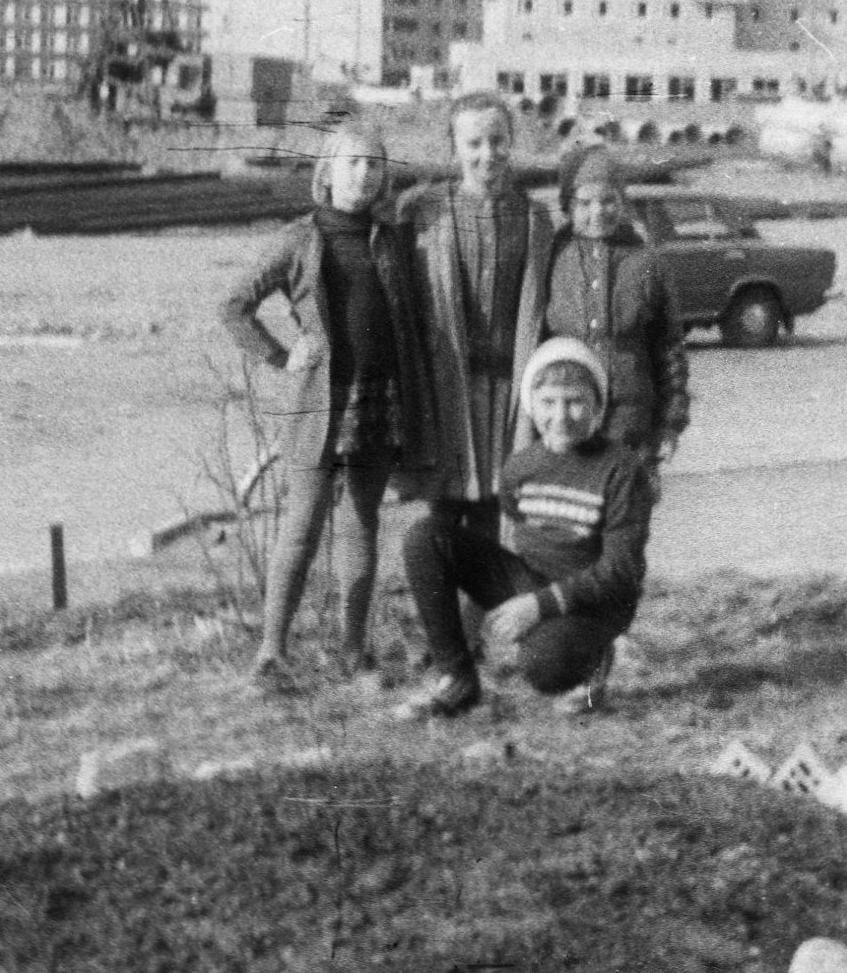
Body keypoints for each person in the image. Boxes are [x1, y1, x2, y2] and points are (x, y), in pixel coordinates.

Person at [218, 114, 438, 688]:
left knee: (360, 524)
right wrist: (280, 355)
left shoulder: (392, 239)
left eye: (375, 165)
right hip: (317, 403)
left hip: (379, 401)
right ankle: (271, 653)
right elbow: (235, 306)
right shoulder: (298, 239)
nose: (364, 176)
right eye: (353, 164)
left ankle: (352, 648)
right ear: (327, 173)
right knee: (301, 527)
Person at [393, 338, 649, 718]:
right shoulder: (520, 467)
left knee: (544, 668)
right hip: (532, 579)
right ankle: (456, 678)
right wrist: (514, 597)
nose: (561, 416)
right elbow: (522, 529)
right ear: (532, 404)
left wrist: (538, 606)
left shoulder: (621, 469)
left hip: (597, 601)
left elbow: (622, 571)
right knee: (425, 538)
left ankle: (597, 657)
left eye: (575, 401)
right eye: (548, 403)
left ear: (597, 404)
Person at [395, 91, 557, 544]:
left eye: (498, 140)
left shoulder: (532, 216)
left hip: (509, 392)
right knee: (441, 518)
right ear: (454, 147)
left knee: (494, 517)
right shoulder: (423, 211)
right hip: (447, 391)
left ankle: (483, 613)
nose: (488, 154)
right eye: (474, 143)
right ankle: (440, 614)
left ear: (512, 141)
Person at [542, 144, 690, 491]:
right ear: (568, 205)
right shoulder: (550, 257)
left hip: (631, 426)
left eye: (608, 200)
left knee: (624, 527)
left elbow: (669, 350)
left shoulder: (647, 262)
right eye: (585, 202)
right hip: (564, 425)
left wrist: (670, 425)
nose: (598, 212)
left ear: (622, 202)